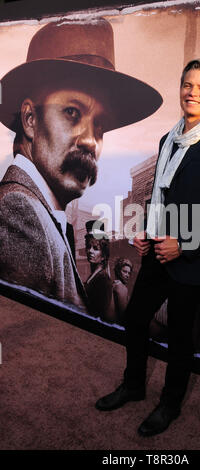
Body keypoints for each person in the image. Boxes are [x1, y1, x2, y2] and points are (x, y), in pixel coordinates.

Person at [95, 58, 200, 436]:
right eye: (187, 85)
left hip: (190, 258)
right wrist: (147, 230)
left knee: (180, 336)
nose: (192, 93)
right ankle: (133, 386)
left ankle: (170, 405)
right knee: (134, 320)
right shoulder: (168, 139)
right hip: (157, 252)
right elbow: (162, 197)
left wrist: (185, 243)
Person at [0, 19, 162, 309]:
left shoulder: (40, 213)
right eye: (72, 112)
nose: (91, 141)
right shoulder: (19, 211)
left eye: (99, 125)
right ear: (30, 119)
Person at [84, 220, 112, 320]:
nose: (90, 251)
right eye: (88, 247)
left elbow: (99, 315)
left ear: (104, 255)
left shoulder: (103, 280)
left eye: (95, 248)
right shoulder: (95, 275)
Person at [112, 257, 133, 323]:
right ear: (118, 271)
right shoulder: (121, 288)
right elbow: (123, 316)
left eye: (129, 273)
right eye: (124, 271)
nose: (127, 275)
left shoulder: (113, 284)